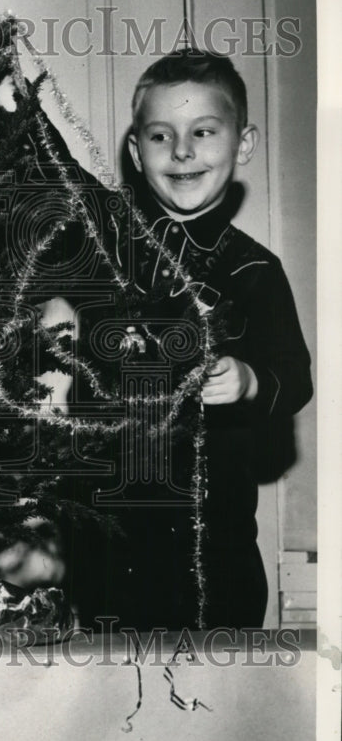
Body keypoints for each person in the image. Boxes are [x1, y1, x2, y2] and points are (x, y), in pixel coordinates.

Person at [45, 49, 313, 630]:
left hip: (214, 546)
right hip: (104, 539)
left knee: (215, 705)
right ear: (137, 154)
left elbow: (295, 375)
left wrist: (248, 380)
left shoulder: (254, 269)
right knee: (101, 696)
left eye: (204, 132)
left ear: (243, 145)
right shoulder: (106, 242)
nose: (183, 151)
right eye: (162, 136)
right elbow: (48, 167)